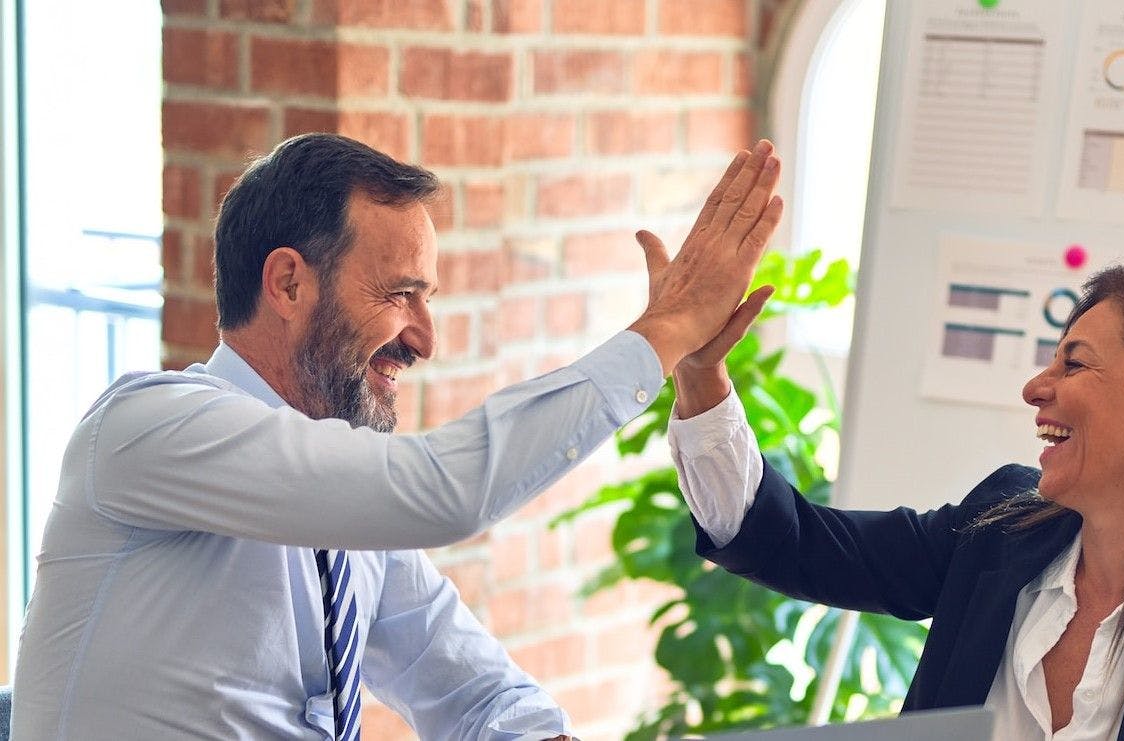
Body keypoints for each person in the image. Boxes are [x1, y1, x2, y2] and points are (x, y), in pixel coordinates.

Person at [12, 133, 783, 739]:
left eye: (429, 298)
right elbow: (439, 492)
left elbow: (470, 687)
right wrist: (665, 331)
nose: (424, 338)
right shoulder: (147, 428)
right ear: (287, 283)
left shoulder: (346, 522)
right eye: (399, 295)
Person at [666, 263, 1124, 740]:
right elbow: (792, 541)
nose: (1035, 388)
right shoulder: (1002, 527)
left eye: (1074, 364)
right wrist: (701, 374)